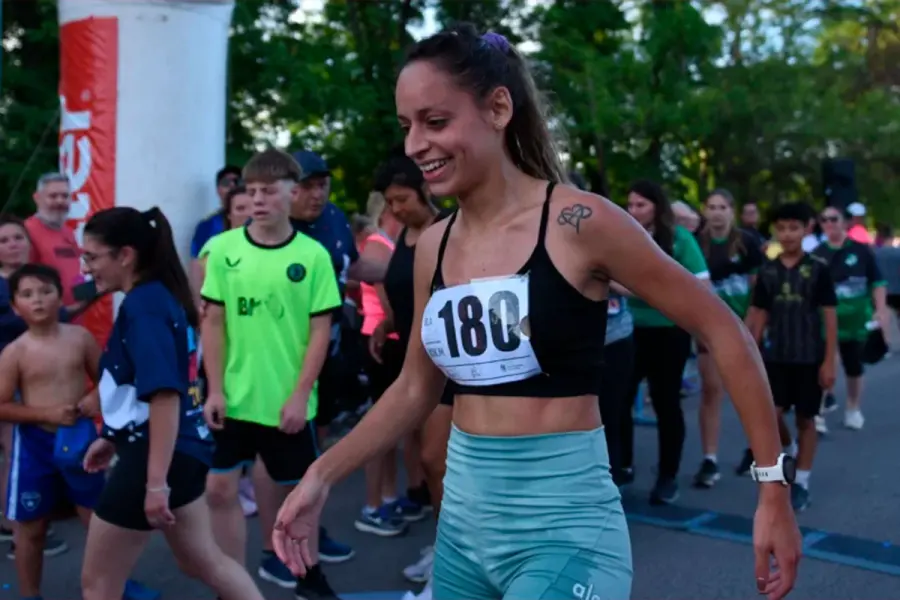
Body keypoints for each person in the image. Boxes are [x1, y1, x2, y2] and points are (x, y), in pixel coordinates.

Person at [273, 24, 800, 600]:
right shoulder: (434, 244)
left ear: (498, 107)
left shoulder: (580, 222)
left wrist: (772, 491)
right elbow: (414, 390)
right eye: (407, 127)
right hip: (463, 541)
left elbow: (725, 331)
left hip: (566, 536)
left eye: (436, 121)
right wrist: (320, 476)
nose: (415, 145)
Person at [77, 206, 263, 600]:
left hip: (157, 457)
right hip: (179, 450)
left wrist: (155, 483)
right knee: (202, 561)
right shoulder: (158, 299)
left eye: (92, 257)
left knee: (98, 584)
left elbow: (164, 394)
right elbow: (151, 388)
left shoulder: (144, 306)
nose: (86, 268)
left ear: (125, 255)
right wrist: (114, 437)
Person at [201, 149, 342, 599]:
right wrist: (215, 390)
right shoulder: (223, 251)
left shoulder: (312, 255)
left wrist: (301, 395)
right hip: (234, 399)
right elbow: (214, 323)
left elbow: (321, 332)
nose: (258, 199)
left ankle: (308, 576)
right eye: (252, 191)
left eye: (269, 191)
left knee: (298, 495)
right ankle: (232, 584)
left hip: (286, 401)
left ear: (292, 193)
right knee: (219, 491)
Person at [368, 155, 455, 596]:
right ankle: (445, 547)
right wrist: (387, 323)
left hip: (447, 365)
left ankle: (452, 562)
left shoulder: (453, 229)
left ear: (425, 190)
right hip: (411, 360)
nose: (395, 209)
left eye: (401, 199)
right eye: (389, 202)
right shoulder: (405, 235)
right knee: (428, 459)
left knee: (435, 462)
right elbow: (408, 293)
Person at [0, 264, 105, 600]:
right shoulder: (14, 352)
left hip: (79, 440)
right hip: (34, 445)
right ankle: (30, 594)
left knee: (100, 523)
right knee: (30, 529)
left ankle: (111, 586)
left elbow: (108, 380)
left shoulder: (80, 338)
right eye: (28, 295)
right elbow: (1, 405)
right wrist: (45, 413)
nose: (39, 300)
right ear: (16, 307)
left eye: (46, 291)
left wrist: (93, 397)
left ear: (61, 296)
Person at [620, 180, 710, 502]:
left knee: (665, 402)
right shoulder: (623, 237)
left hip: (670, 330)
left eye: (640, 205)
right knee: (619, 399)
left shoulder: (680, 239)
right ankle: (622, 465)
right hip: (630, 330)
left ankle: (668, 476)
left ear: (657, 206)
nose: (633, 211)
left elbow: (702, 283)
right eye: (630, 205)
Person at [745, 202, 838, 511]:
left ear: (806, 229)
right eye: (782, 228)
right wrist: (749, 350)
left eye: (794, 228)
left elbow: (829, 317)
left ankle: (802, 481)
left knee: (806, 419)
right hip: (776, 356)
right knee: (772, 414)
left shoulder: (818, 269)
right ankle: (788, 448)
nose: (787, 234)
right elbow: (758, 314)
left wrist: (829, 361)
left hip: (809, 356)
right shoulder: (767, 271)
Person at [0, 218, 68, 558]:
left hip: (38, 381)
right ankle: (22, 531)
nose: (13, 244)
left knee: (18, 453)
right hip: (7, 380)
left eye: (18, 237)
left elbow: (62, 316)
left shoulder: (39, 277)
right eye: (4, 240)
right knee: (15, 453)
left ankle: (21, 521)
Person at [355, 189, 419, 538]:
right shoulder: (380, 245)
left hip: (394, 341)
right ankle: (373, 505)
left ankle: (389, 497)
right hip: (381, 341)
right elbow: (388, 304)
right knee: (381, 427)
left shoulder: (393, 243)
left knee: (396, 428)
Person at [692, 190, 764, 488]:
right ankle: (710, 458)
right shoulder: (697, 242)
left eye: (722, 207)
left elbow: (758, 289)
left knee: (749, 392)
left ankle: (757, 451)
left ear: (732, 211)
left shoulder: (747, 242)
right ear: (704, 211)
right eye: (711, 207)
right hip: (709, 329)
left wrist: (750, 327)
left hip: (743, 328)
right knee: (711, 391)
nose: (717, 212)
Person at [813, 206, 888, 432]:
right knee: (825, 363)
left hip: (856, 320)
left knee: (854, 366)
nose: (829, 224)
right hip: (826, 319)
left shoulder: (862, 251)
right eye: (824, 220)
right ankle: (817, 412)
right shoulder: (817, 253)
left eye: (833, 219)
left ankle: (853, 409)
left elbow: (877, 282)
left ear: (844, 222)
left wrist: (880, 309)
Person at [24, 173, 83, 309]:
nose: (60, 201)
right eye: (53, 196)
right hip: (44, 318)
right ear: (37, 198)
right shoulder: (26, 232)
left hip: (73, 316)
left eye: (65, 196)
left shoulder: (68, 232)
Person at [189, 166, 243, 304]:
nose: (232, 186)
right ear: (218, 189)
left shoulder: (259, 222)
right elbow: (196, 268)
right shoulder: (207, 226)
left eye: (237, 181)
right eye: (226, 183)